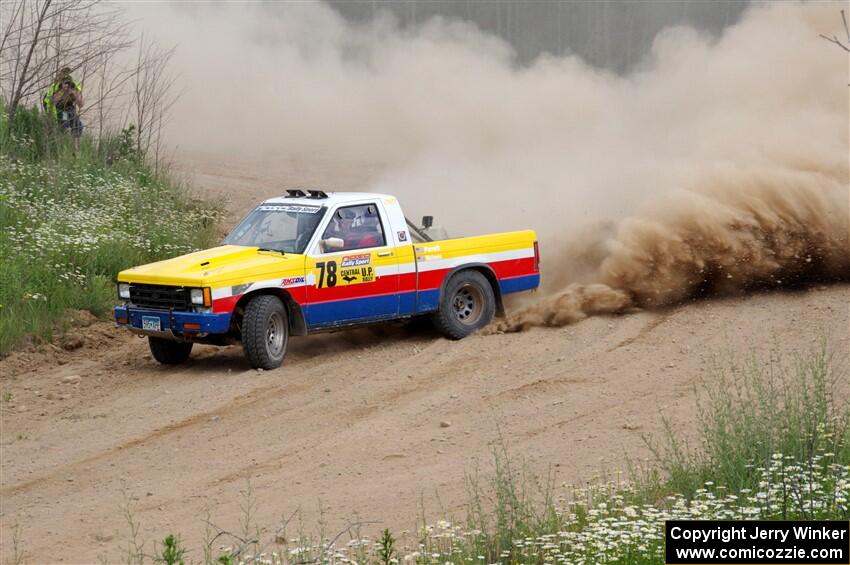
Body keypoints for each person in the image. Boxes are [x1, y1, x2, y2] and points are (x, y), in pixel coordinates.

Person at [43, 67, 84, 151]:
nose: (67, 85)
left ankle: (75, 149)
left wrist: (74, 93)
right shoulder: (56, 87)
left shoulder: (74, 85)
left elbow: (81, 104)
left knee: (78, 125)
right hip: (58, 109)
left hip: (69, 108)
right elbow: (52, 102)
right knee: (64, 125)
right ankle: (60, 147)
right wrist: (62, 91)